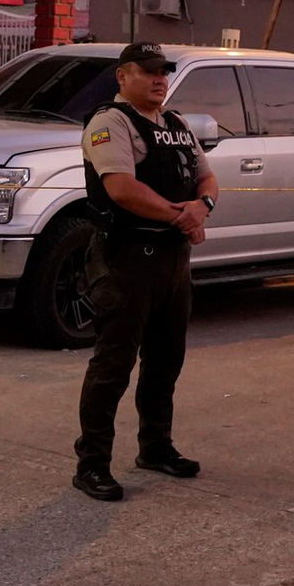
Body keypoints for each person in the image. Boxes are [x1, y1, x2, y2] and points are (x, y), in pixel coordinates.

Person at [72, 42, 219, 502]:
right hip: (126, 259)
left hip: (173, 263)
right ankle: (92, 463)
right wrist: (182, 217)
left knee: (165, 361)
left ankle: (155, 447)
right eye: (149, 71)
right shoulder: (109, 123)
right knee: (112, 366)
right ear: (123, 76)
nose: (160, 79)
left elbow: (206, 178)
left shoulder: (175, 124)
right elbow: (120, 189)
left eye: (164, 72)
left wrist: (203, 205)